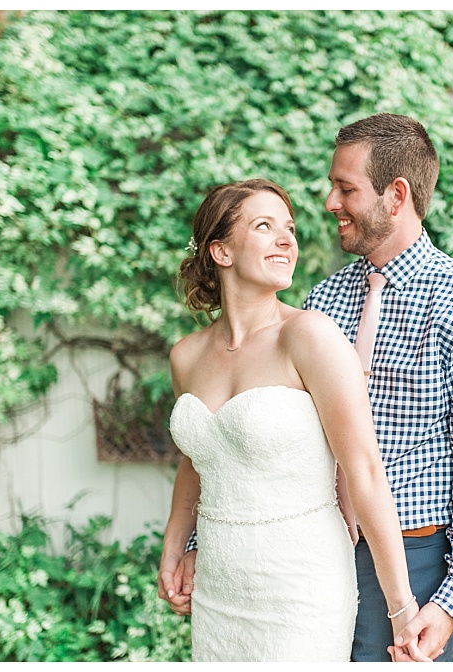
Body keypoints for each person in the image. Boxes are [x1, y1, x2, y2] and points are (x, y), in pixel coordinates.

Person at [165, 114, 453, 662]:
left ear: (395, 194)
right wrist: (193, 543)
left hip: (413, 551)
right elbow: (239, 446)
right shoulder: (321, 301)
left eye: (345, 188)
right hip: (307, 549)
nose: (330, 202)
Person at [157, 179, 428, 662]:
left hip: (301, 590)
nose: (287, 239)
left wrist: (401, 607)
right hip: (218, 590)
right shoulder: (186, 356)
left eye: (290, 228)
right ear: (220, 250)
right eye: (265, 226)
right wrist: (174, 549)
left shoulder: (311, 337)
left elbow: (365, 472)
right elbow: (197, 461)